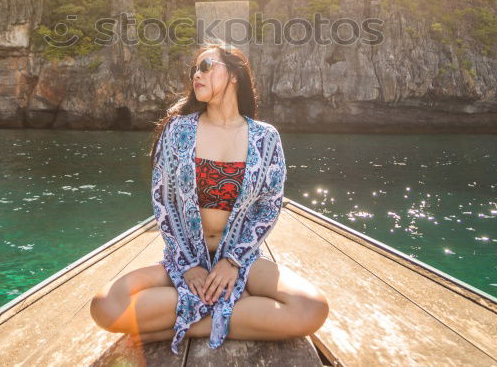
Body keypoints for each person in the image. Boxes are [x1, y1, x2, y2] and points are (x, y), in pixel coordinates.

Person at [90, 43, 329, 354]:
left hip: (240, 261)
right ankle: (236, 310)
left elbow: (269, 206)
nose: (196, 76)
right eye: (194, 71)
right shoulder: (177, 130)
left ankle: (189, 325)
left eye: (205, 67)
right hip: (184, 261)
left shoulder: (265, 137)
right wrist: (189, 266)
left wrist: (232, 262)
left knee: (312, 308)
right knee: (106, 306)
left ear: (232, 74)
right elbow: (163, 202)